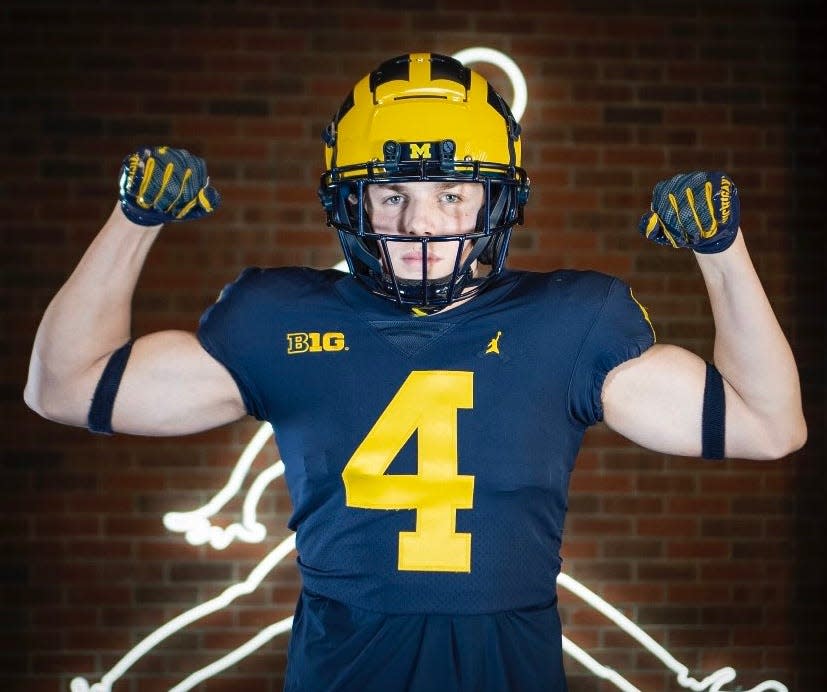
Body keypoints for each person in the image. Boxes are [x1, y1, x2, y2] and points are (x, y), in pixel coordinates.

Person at [24, 52, 806, 691]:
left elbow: (766, 426)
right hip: (344, 670)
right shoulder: (278, 316)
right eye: (389, 195)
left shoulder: (571, 321)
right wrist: (132, 222)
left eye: (451, 194)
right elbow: (63, 388)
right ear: (349, 202)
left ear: (496, 200)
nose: (419, 223)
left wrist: (722, 254)